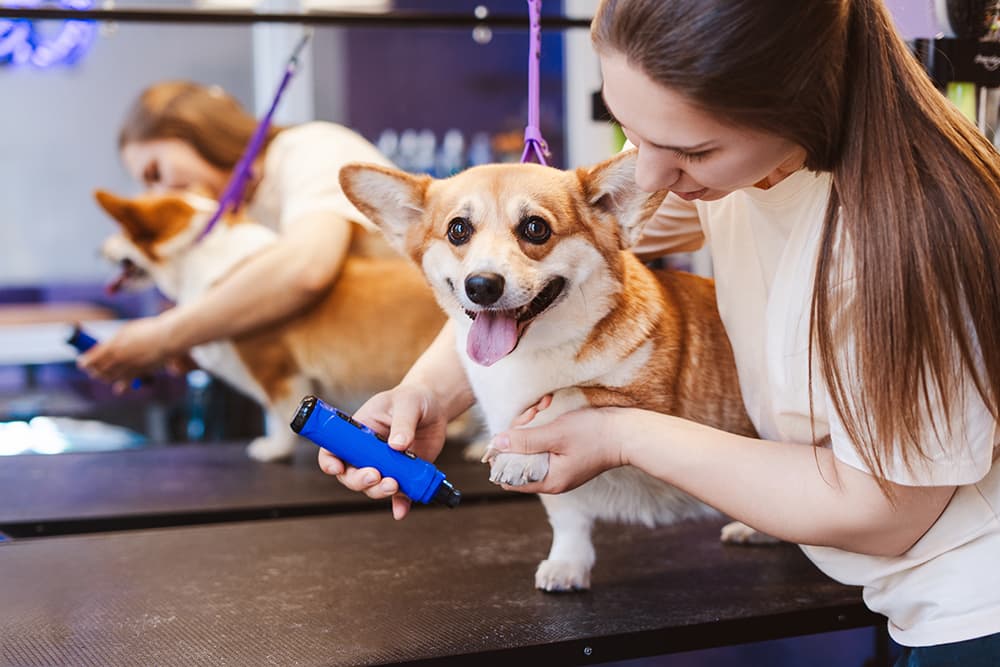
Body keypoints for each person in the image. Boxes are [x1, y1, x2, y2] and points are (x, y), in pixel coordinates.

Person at [318, 0, 1000, 662]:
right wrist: (428, 393)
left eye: (689, 150)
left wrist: (620, 430)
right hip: (891, 595)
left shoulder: (905, 239)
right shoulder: (733, 173)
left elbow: (884, 507)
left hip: (971, 605)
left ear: (792, 106)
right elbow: (522, 280)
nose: (648, 175)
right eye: (631, 132)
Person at [79, 80, 395, 389]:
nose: (158, 194)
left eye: (156, 173)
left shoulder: (314, 149)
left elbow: (306, 269)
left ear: (195, 129)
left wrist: (166, 336)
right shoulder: (239, 213)